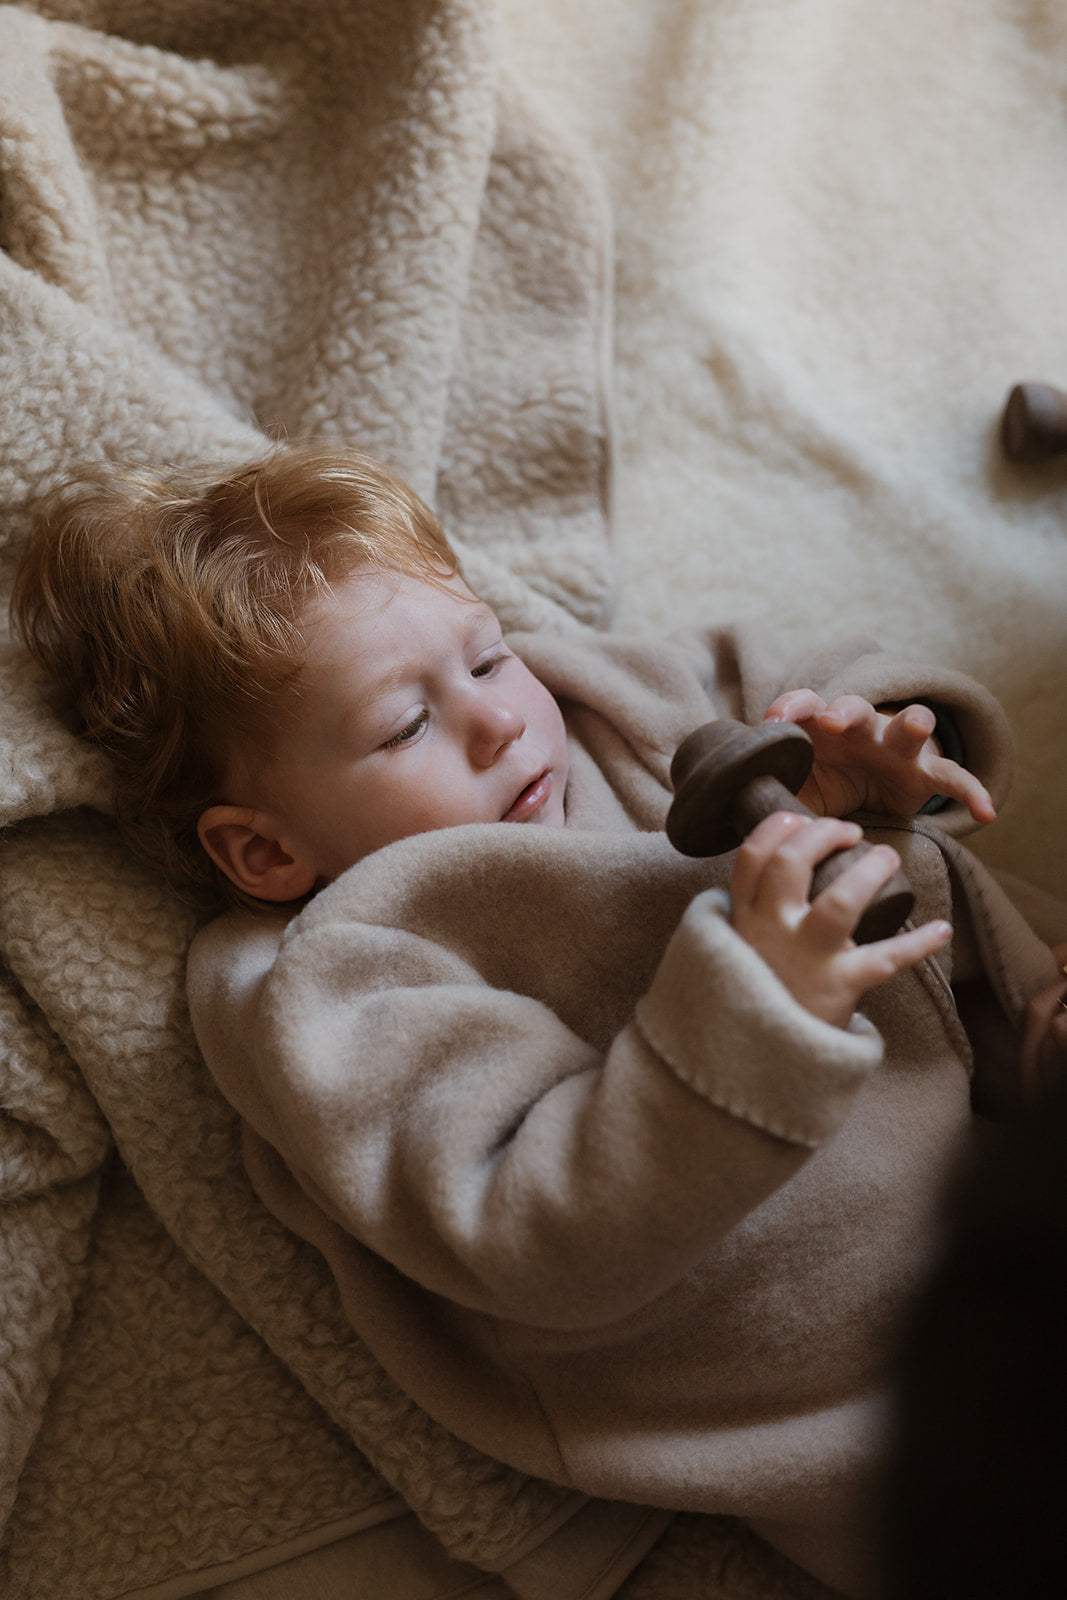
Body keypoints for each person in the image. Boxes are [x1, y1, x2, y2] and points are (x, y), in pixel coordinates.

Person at [11, 443, 1062, 1599]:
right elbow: (531, 1222)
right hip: (871, 1368)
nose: (502, 721)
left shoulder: (592, 705)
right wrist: (747, 1013)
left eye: (486, 653)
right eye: (406, 725)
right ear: (268, 849)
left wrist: (892, 739)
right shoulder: (345, 979)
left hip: (1007, 1069)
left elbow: (785, 678)